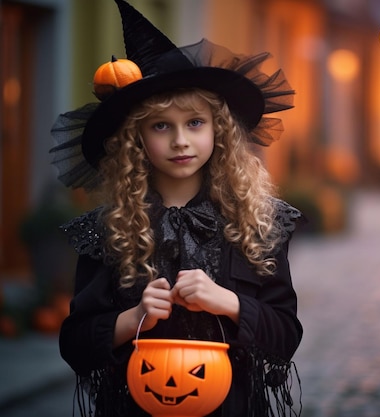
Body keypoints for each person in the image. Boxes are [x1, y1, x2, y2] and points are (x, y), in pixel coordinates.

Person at [50, 1, 303, 416]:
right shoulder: (109, 228)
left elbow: (286, 336)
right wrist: (131, 319)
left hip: (232, 405)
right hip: (132, 405)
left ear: (218, 130)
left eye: (195, 123)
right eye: (161, 126)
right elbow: (74, 344)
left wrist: (230, 303)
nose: (180, 140)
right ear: (136, 138)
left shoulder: (258, 222)